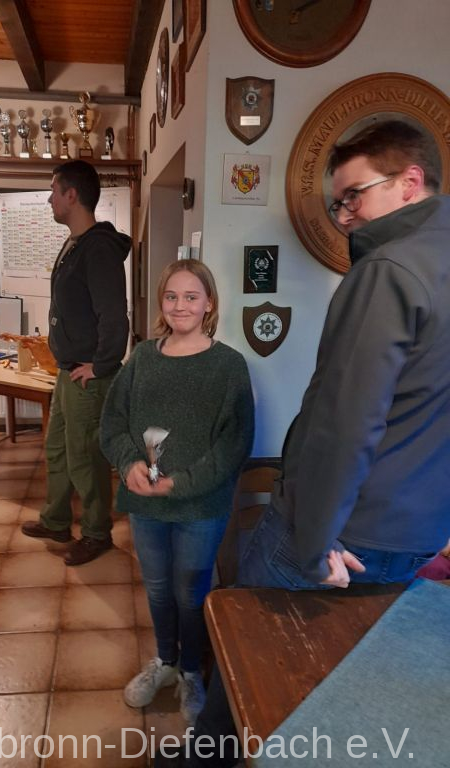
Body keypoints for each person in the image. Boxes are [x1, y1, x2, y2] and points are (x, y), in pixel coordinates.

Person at [154, 120, 450, 766]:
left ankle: (207, 760)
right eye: (337, 204)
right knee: (348, 674)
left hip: (340, 531)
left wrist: (314, 542)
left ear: (410, 181)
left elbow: (346, 423)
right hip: (416, 532)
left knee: (250, 649)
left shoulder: (389, 270)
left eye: (354, 196)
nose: (345, 218)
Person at [100, 259, 254, 725]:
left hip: (200, 506)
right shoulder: (143, 358)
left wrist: (180, 483)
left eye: (191, 296)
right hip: (144, 503)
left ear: (209, 303)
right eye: (171, 296)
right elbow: (113, 423)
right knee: (158, 588)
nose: (180, 305)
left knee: (191, 591)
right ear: (161, 302)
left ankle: (190, 670)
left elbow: (234, 444)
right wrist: (128, 462)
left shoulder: (228, 366)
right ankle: (166, 660)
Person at [21, 160, 131, 566]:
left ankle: (97, 533)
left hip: (88, 376)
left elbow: (114, 316)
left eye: (53, 190)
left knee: (86, 457)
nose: (49, 199)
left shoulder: (98, 249)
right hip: (68, 372)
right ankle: (56, 520)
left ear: (72, 194)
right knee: (58, 449)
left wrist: (101, 366)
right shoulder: (75, 244)